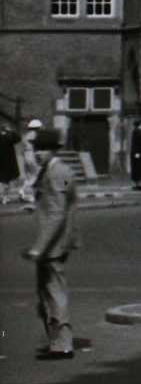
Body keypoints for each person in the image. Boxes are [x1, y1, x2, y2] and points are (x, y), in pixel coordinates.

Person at [24, 129, 78, 360]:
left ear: (54, 149)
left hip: (53, 244)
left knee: (54, 293)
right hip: (58, 241)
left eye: (42, 149)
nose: (38, 154)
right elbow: (66, 201)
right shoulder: (59, 170)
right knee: (47, 292)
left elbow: (57, 212)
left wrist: (39, 247)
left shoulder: (56, 172)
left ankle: (62, 344)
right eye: (36, 149)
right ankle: (55, 340)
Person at [16, 119, 42, 209]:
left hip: (26, 155)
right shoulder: (36, 136)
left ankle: (22, 189)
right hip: (33, 155)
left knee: (30, 175)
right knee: (36, 175)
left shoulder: (25, 136)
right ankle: (33, 196)